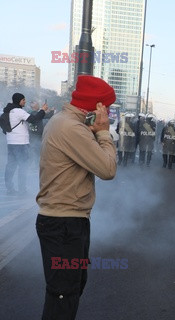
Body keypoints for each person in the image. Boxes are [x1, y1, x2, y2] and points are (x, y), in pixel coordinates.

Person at [36, 75, 116, 319]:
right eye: (107, 108)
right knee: (63, 295)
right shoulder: (71, 127)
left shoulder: (69, 123)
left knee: (70, 289)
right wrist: (103, 133)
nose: (109, 114)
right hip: (63, 224)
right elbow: (107, 169)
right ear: (96, 106)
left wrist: (94, 129)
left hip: (68, 221)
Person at [4, 93, 48, 195]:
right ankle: (22, 189)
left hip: (11, 142)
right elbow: (35, 119)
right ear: (19, 100)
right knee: (23, 166)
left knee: (11, 166)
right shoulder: (19, 111)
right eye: (23, 100)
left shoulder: (8, 110)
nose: (25, 101)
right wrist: (43, 110)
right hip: (20, 143)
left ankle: (9, 189)